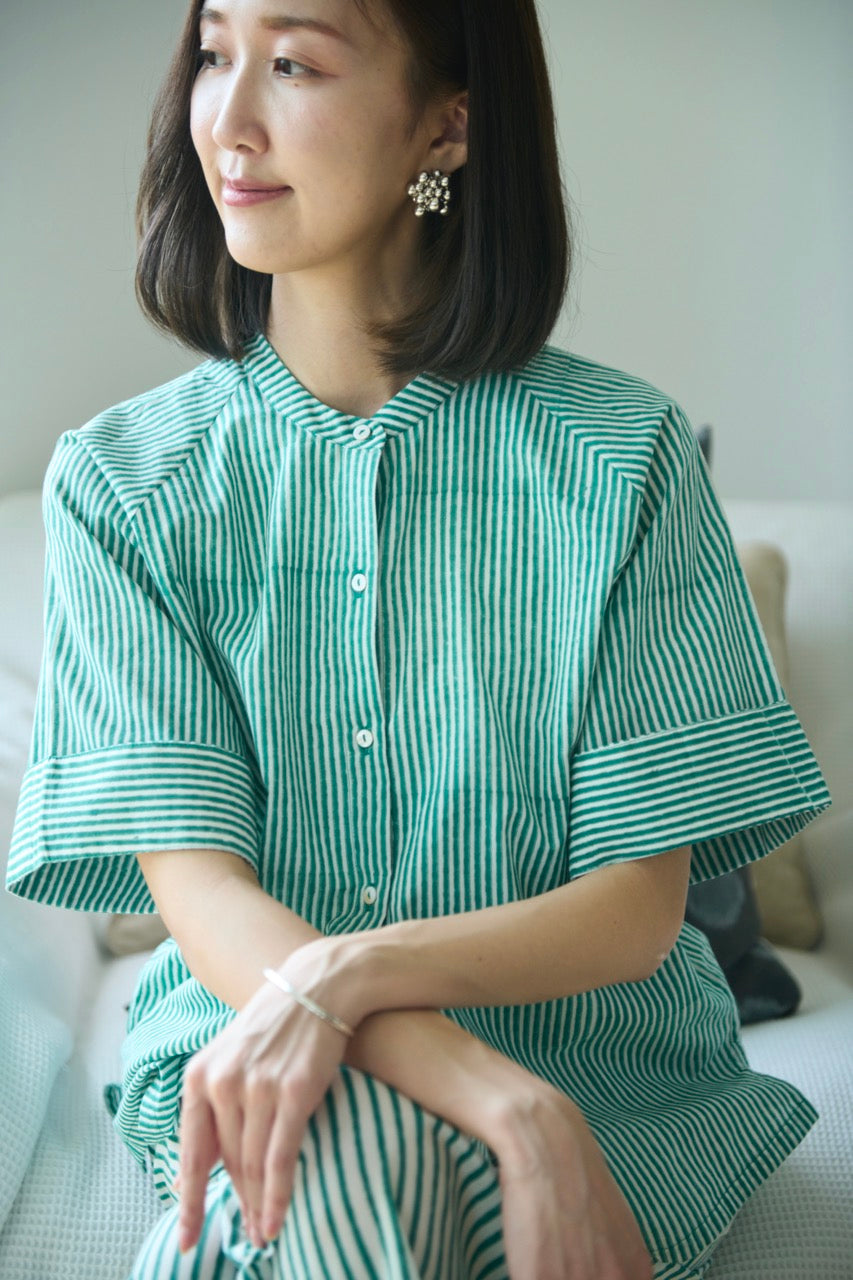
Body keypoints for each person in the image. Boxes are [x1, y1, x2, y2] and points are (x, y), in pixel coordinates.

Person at [5, 0, 832, 1277]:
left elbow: (632, 907)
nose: (226, 118)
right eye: (214, 55)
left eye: (292, 63)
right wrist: (497, 1102)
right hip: (258, 1039)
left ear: (443, 126)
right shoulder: (121, 485)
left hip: (593, 1062)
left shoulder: (622, 459)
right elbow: (199, 886)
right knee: (344, 1149)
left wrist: (357, 985)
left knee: (318, 1186)